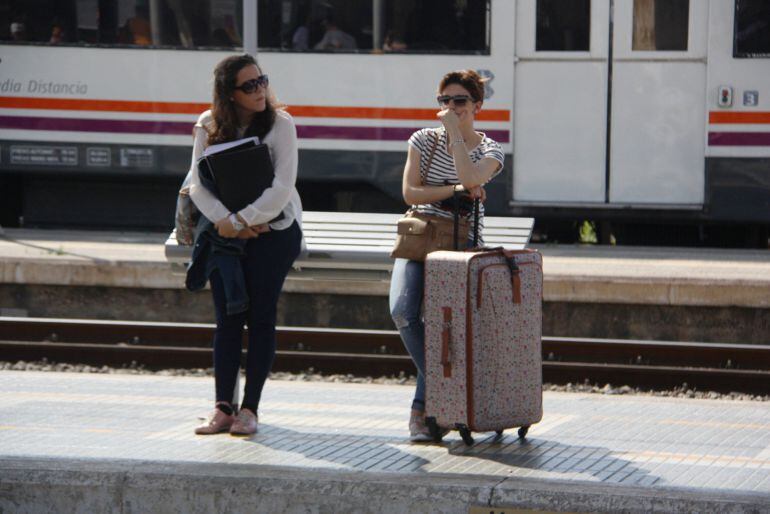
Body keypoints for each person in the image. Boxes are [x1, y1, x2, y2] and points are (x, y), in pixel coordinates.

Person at [187, 54, 303, 436]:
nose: (260, 90)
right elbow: (197, 183)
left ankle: (250, 409)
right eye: (249, 85)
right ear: (229, 93)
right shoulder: (209, 124)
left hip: (274, 233)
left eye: (262, 81)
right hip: (225, 235)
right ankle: (223, 407)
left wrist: (239, 222)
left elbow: (282, 188)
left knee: (262, 316)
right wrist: (227, 224)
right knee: (227, 321)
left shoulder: (281, 124)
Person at [389, 70, 504, 442]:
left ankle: (422, 412)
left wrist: (455, 136)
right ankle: (448, 393)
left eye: (459, 102)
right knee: (402, 311)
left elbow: (474, 179)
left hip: (458, 246)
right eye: (444, 101)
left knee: (445, 329)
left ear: (477, 107)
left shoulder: (491, 150)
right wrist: (453, 190)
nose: (451, 108)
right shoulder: (422, 140)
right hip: (419, 237)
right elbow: (410, 192)